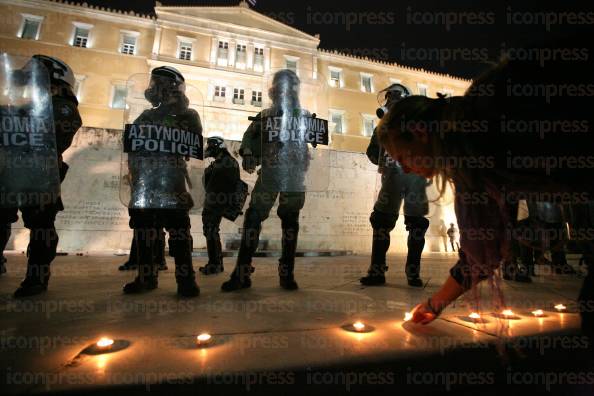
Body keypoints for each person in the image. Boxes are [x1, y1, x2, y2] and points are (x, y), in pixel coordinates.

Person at [375, 33, 594, 334]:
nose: (403, 167)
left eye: (401, 156)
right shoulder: (477, 109)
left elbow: (480, 254)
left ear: (419, 132)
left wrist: (432, 305)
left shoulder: (470, 146)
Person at [221, 69, 310, 292]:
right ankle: (242, 271)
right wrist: (249, 153)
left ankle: (286, 273)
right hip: (270, 173)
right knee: (253, 217)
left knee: (290, 222)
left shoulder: (304, 117)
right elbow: (249, 137)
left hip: (294, 176)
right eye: (280, 87)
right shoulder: (265, 116)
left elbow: (310, 143)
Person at [0, 55, 82, 297]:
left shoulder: (63, 107)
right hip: (10, 172)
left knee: (42, 226)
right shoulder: (32, 105)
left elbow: (53, 130)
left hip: (41, 175)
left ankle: (37, 276)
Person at [122, 66, 201, 297]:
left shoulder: (188, 115)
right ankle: (146, 277)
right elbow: (132, 145)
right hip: (146, 181)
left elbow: (192, 144)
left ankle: (186, 279)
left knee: (179, 231)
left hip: (172, 180)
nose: (156, 87)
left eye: (161, 83)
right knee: (145, 231)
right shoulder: (147, 116)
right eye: (155, 83)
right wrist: (135, 176)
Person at [360, 83, 430, 288]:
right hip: (403, 178)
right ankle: (405, 274)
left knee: (407, 224)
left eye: (394, 97)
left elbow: (372, 154)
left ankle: (384, 272)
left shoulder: (406, 125)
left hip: (406, 178)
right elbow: (373, 153)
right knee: (386, 222)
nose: (392, 101)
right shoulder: (414, 125)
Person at [199, 136, 243, 275]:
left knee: (211, 231)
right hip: (217, 202)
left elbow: (211, 183)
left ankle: (215, 264)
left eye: (210, 148)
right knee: (211, 231)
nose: (208, 151)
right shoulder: (227, 161)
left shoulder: (224, 163)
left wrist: (208, 170)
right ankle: (216, 263)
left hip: (215, 203)